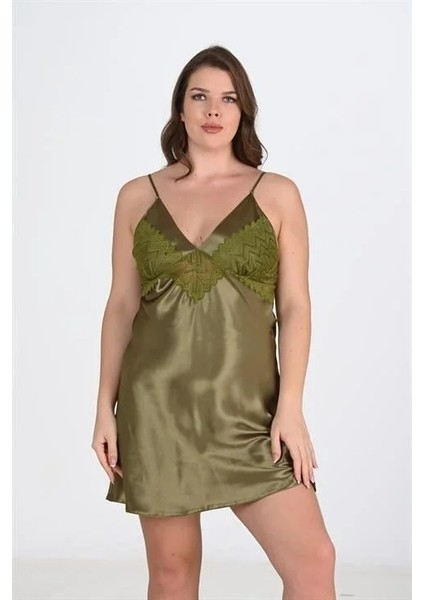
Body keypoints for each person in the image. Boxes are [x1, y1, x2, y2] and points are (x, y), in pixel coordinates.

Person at [91, 45, 337, 600]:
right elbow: (121, 305)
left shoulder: (277, 193)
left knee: (313, 561)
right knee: (172, 576)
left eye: (228, 99)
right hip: (158, 408)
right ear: (180, 108)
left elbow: (295, 306)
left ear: (243, 110)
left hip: (249, 411)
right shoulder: (136, 196)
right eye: (199, 96)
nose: (213, 110)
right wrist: (104, 406)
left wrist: (291, 406)